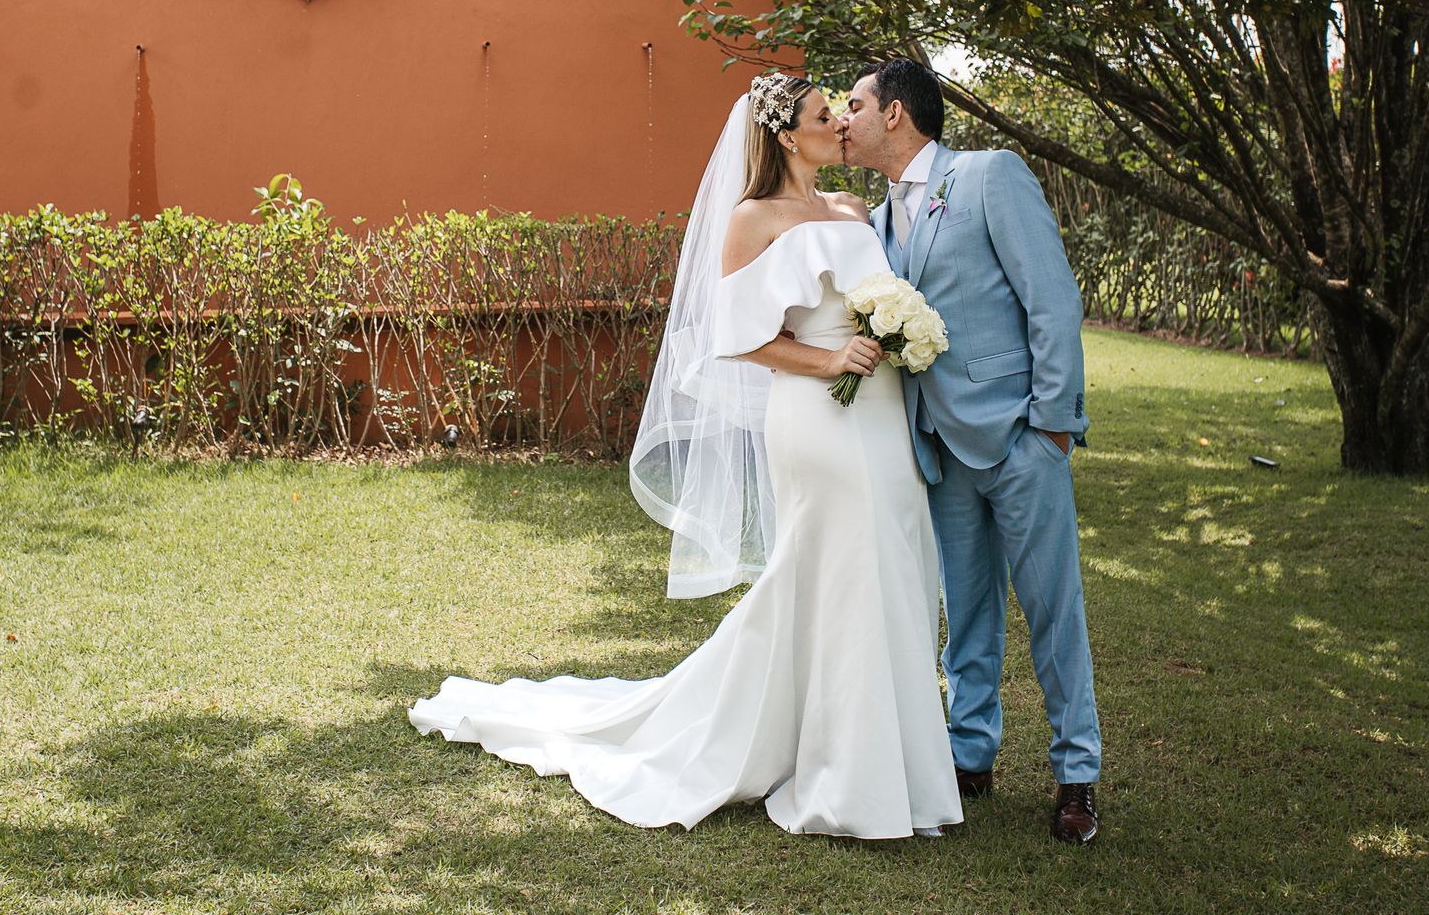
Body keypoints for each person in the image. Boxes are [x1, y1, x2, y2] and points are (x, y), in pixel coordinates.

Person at [409, 74, 963, 838]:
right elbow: (739, 338)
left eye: (838, 109)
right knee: (840, 568)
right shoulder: (752, 220)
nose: (837, 121)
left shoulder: (852, 208)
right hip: (819, 416)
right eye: (821, 114)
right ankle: (845, 781)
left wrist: (899, 336)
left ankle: (899, 768)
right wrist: (829, 360)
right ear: (784, 135)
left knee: (888, 565)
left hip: (882, 414)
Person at [840, 57, 1102, 845]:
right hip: (939, 449)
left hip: (1020, 438)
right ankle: (970, 753)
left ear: (894, 113)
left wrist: (1050, 426)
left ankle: (1077, 775)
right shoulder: (874, 222)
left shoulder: (989, 177)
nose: (843, 119)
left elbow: (1051, 299)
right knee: (968, 613)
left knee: (1053, 611)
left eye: (853, 104)